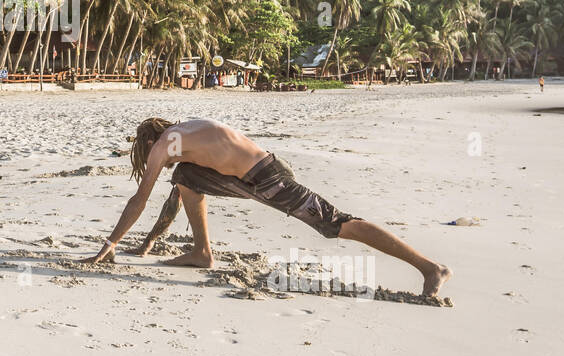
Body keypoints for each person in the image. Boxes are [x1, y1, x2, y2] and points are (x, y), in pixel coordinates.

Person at [84, 117, 452, 298]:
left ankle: (429, 266)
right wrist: (148, 243)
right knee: (186, 178)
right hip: (256, 172)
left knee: (338, 225)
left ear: (150, 140)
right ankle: (201, 252)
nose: (151, 159)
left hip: (267, 178)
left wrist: (111, 244)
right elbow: (177, 194)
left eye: (145, 152)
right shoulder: (186, 135)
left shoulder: (165, 143)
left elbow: (141, 197)